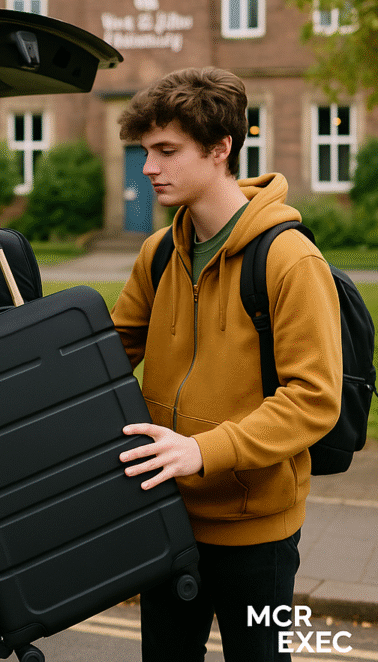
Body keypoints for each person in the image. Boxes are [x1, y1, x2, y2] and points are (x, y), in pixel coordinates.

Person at [111, 68, 342, 661]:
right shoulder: (159, 251)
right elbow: (107, 356)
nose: (148, 168)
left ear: (221, 149)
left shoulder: (290, 260)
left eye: (167, 151)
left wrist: (204, 451)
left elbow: (313, 399)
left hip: (257, 534)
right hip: (166, 516)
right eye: (145, 151)